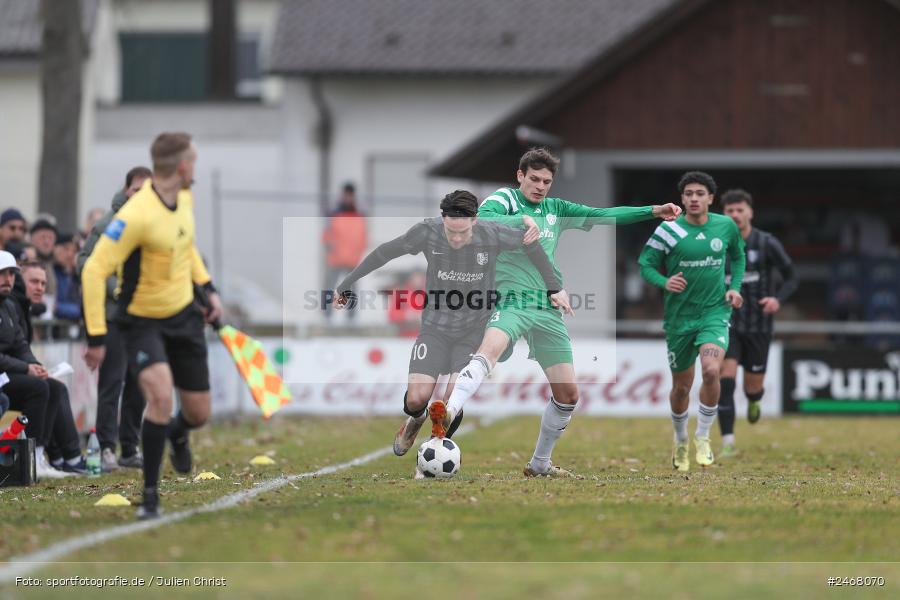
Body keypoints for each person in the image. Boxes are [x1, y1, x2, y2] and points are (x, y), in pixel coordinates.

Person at [437, 148, 681, 478]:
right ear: (520, 175)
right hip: (513, 300)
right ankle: (448, 410)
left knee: (568, 394)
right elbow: (483, 222)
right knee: (488, 351)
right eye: (534, 179)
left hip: (549, 307)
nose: (540, 186)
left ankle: (540, 463)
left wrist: (653, 211)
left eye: (546, 181)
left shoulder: (557, 209)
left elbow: (605, 215)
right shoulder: (506, 199)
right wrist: (520, 220)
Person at [334, 189, 567, 467]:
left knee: (450, 401)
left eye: (462, 232)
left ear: (475, 221)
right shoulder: (427, 232)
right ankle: (416, 418)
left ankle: (434, 451)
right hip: (435, 326)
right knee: (417, 399)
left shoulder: (492, 235)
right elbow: (385, 252)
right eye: (450, 232)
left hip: (473, 329)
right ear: (442, 220)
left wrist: (555, 288)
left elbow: (533, 247)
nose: (456, 239)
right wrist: (347, 283)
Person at [82, 132, 222, 519]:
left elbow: (186, 245)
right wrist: (96, 334)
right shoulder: (134, 215)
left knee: (198, 413)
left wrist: (207, 288)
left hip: (184, 319)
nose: (195, 167)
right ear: (181, 166)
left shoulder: (186, 199)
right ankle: (150, 496)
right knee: (159, 397)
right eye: (193, 161)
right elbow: (94, 269)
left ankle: (178, 431)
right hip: (141, 322)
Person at [638, 171, 746, 472]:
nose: (694, 199)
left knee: (712, 371)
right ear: (682, 199)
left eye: (700, 193)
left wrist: (734, 287)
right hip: (679, 319)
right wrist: (664, 280)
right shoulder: (668, 230)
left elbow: (738, 257)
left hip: (714, 312)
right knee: (681, 387)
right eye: (688, 194)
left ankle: (703, 437)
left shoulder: (725, 226)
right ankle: (681, 440)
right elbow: (645, 264)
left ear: (711, 198)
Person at [77, 165, 151, 472]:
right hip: (114, 316)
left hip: (143, 316)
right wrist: (116, 289)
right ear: (126, 190)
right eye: (136, 190)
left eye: (146, 191)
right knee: (113, 382)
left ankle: (129, 447)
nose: (140, 196)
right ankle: (106, 448)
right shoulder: (110, 223)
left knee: (139, 382)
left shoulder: (150, 224)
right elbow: (86, 262)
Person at [718, 189, 797, 457]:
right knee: (725, 381)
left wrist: (777, 299)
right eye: (730, 211)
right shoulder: (716, 243)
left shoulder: (766, 243)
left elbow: (791, 277)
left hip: (759, 325)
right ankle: (727, 441)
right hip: (725, 322)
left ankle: (754, 400)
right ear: (723, 214)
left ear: (750, 212)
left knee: (752, 386)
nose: (736, 215)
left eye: (740, 210)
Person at [0, 251, 77, 479]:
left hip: (7, 374)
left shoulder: (9, 307)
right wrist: (25, 369)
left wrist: (35, 365)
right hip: (5, 375)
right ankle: (29, 458)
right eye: (2, 274)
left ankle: (41, 456)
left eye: (11, 274)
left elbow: (20, 344)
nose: (7, 279)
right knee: (38, 388)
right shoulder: (11, 304)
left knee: (51, 386)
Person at [322, 183, 368, 321]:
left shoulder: (359, 214)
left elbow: (363, 237)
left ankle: (351, 316)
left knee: (350, 289)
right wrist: (331, 248)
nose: (348, 198)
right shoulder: (334, 213)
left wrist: (357, 252)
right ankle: (327, 315)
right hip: (336, 259)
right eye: (346, 195)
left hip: (352, 259)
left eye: (350, 195)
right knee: (330, 287)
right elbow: (327, 235)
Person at [52, 233, 81, 323]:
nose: (70, 255)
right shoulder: (49, 271)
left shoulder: (73, 274)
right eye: (66, 249)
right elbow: (53, 306)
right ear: (55, 248)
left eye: (74, 251)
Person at [29, 219, 58, 297]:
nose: (46, 242)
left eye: (50, 238)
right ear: (31, 239)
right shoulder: (25, 261)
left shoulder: (53, 263)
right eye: (42, 237)